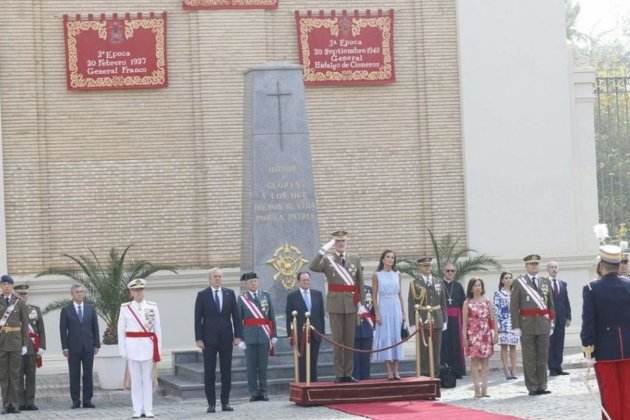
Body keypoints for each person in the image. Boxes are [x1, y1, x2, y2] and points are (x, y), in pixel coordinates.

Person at [581, 245, 630, 420]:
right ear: (618, 265)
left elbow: (588, 323)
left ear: (602, 263)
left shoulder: (591, 288)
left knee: (610, 396)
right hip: (629, 349)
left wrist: (588, 350)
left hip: (604, 351)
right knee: (628, 395)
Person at [310, 230, 364, 383]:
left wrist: (361, 305)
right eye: (338, 242)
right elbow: (312, 266)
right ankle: (339, 374)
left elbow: (359, 282)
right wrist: (323, 250)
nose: (341, 244)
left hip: (351, 304)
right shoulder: (328, 259)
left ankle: (348, 373)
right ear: (334, 244)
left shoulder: (355, 258)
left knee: (349, 342)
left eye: (343, 241)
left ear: (347, 243)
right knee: (338, 341)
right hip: (335, 304)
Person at [194, 268, 242, 413]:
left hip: (226, 338)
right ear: (210, 279)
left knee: (226, 371)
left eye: (220, 277)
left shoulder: (229, 293)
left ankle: (225, 402)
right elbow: (198, 319)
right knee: (209, 372)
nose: (218, 279)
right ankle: (211, 404)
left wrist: (238, 335)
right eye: (215, 276)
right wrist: (198, 338)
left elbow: (236, 316)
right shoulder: (203, 295)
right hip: (208, 340)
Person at [510, 254, 555, 396]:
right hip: (526, 324)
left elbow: (550, 304)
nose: (534, 266)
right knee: (529, 357)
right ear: (526, 266)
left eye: (536, 264)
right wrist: (516, 326)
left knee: (543, 356)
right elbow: (514, 305)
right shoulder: (519, 282)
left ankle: (542, 384)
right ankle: (532, 386)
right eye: (531, 264)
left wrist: (552, 321)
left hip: (543, 323)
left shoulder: (545, 282)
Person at [117, 278, 162, 419]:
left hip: (148, 347)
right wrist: (122, 350)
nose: (138, 292)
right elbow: (121, 329)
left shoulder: (152, 306)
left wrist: (158, 349)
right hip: (132, 347)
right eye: (135, 290)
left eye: (141, 290)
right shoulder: (125, 308)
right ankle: (137, 410)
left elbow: (157, 329)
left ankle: (148, 409)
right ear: (131, 292)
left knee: (148, 380)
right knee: (135, 381)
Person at [59, 283, 100, 409]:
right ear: (72, 294)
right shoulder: (66, 310)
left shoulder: (90, 309)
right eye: (77, 292)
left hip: (88, 347)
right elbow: (62, 330)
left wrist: (96, 344)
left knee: (88, 374)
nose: (80, 294)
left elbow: (95, 327)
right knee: (74, 374)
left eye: (82, 292)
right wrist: (65, 347)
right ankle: (75, 401)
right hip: (73, 348)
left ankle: (87, 400)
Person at [238, 272, 277, 402]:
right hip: (249, 337)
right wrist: (239, 338)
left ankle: (264, 391)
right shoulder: (242, 299)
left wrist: (273, 335)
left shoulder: (265, 296)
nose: (253, 284)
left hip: (264, 336)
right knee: (251, 367)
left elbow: (271, 317)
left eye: (255, 281)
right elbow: (238, 320)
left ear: (258, 282)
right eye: (250, 282)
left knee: (263, 366)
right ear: (246, 284)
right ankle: (254, 392)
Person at [408, 257, 447, 377]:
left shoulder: (438, 281)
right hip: (422, 318)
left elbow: (443, 302)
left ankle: (435, 374)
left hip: (437, 317)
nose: (428, 268)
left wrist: (445, 319)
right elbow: (411, 303)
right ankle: (424, 374)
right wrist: (413, 323)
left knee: (436, 349)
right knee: (423, 350)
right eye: (425, 265)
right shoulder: (415, 283)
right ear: (419, 267)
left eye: (429, 265)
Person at [285, 271, 325, 382]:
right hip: (300, 334)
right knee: (302, 360)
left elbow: (321, 315)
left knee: (313, 359)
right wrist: (290, 333)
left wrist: (322, 332)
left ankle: (313, 383)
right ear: (298, 282)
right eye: (303, 280)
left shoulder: (317, 294)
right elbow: (289, 316)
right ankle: (303, 383)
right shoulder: (292, 296)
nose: (306, 282)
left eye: (308, 280)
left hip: (315, 333)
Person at [372, 250, 404, 380]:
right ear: (383, 259)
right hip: (384, 306)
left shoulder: (398, 274)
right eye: (388, 257)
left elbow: (400, 294)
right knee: (387, 337)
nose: (390, 259)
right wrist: (377, 313)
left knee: (396, 336)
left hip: (396, 306)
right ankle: (389, 371)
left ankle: (396, 370)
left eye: (392, 257)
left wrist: (403, 312)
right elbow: (374, 296)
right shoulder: (377, 275)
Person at [463, 278, 497, 398]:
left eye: (479, 285)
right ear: (471, 288)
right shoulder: (467, 302)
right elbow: (465, 322)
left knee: (485, 362)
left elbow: (493, 319)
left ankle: (485, 389)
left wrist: (495, 333)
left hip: (485, 333)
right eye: (475, 285)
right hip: (473, 334)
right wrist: (465, 338)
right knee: (474, 362)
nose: (477, 287)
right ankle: (476, 389)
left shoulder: (487, 301)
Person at [14, 284, 45, 411]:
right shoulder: (12, 310)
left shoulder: (35, 309)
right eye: (20, 294)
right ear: (16, 295)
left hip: (32, 348)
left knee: (31, 376)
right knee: (19, 376)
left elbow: (41, 329)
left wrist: (42, 346)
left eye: (25, 294)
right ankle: (21, 402)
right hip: (18, 347)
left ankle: (30, 402)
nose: (23, 296)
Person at [0, 275, 28, 414]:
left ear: (12, 286)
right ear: (1, 286)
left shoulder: (19, 302)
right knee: (3, 375)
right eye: (4, 284)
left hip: (16, 343)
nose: (6, 286)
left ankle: (15, 404)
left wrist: (24, 344)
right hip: (1, 343)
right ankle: (6, 405)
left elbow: (25, 324)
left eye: (8, 284)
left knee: (15, 375)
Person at [440, 262, 466, 378]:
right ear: (443, 272)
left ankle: (457, 370)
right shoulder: (439, 285)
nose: (450, 273)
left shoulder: (458, 286)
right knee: (444, 344)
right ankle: (445, 368)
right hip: (443, 319)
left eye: (452, 271)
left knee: (456, 344)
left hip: (456, 320)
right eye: (447, 271)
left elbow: (463, 304)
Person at [546, 261, 571, 376]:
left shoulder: (562, 284)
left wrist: (568, 317)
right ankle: (552, 367)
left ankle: (559, 366)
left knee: (560, 342)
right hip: (549, 318)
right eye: (551, 267)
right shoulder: (544, 283)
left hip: (561, 318)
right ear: (548, 269)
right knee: (551, 343)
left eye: (556, 267)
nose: (554, 269)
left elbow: (566, 301)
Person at [493, 272, 519, 380]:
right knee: (504, 347)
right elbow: (496, 310)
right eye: (506, 278)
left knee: (513, 346)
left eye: (510, 278)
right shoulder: (498, 294)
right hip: (503, 322)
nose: (508, 280)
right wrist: (497, 324)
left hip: (514, 322)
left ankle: (514, 369)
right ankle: (506, 369)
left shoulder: (516, 293)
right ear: (502, 280)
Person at [353, 284, 375, 380]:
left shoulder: (369, 290)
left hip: (367, 326)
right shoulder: (349, 289)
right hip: (353, 326)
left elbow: (374, 308)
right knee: (354, 356)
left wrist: (373, 324)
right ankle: (355, 375)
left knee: (366, 355)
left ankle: (366, 376)